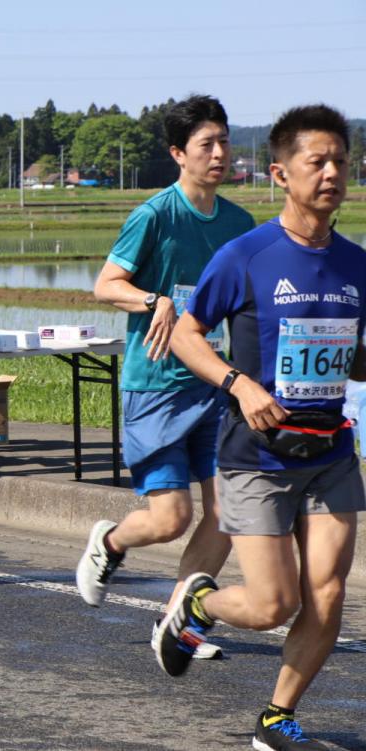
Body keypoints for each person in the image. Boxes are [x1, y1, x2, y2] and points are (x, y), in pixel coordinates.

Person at [161, 104, 365, 751]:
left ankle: (278, 712)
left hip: (330, 452)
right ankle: (197, 606)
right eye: (318, 161)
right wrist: (238, 383)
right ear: (281, 173)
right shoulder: (246, 256)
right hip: (257, 456)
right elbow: (188, 335)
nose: (332, 172)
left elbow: (355, 355)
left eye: (341, 161)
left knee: (327, 594)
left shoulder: (358, 265)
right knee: (272, 604)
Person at [74, 96, 253, 663]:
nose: (220, 153)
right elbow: (106, 284)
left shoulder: (238, 224)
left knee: (226, 512)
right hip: (155, 387)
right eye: (207, 144)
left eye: (224, 141)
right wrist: (154, 301)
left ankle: (176, 621)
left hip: (213, 385)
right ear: (179, 154)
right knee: (171, 519)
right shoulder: (155, 215)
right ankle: (110, 541)